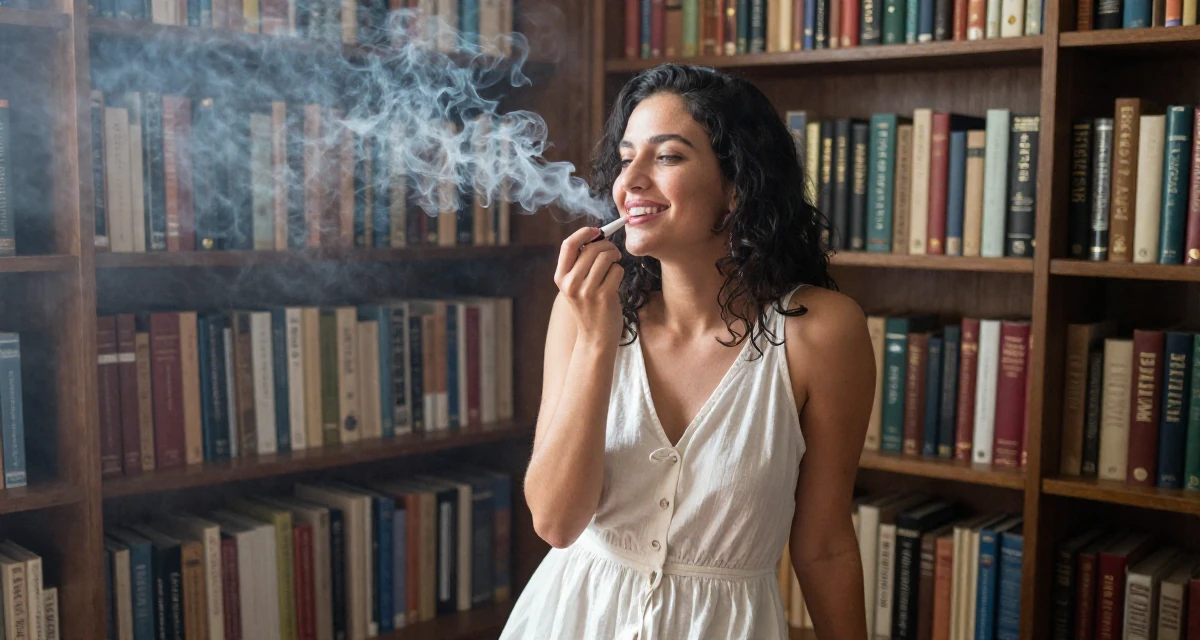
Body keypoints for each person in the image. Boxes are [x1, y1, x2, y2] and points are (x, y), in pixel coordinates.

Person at [499, 63, 875, 640]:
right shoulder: (583, 313)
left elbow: (824, 546)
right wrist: (599, 340)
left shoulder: (820, 332)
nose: (632, 181)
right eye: (627, 158)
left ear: (736, 185)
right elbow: (556, 522)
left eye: (667, 156)